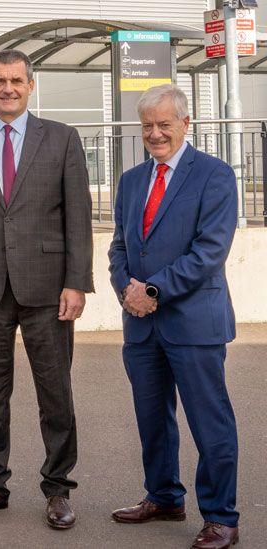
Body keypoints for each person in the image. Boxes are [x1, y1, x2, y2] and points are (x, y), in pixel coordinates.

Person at [0, 49, 93, 530]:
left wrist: (78, 283)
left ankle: (58, 489)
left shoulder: (61, 138)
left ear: (30, 85)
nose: (8, 88)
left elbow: (79, 217)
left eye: (16, 80)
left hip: (48, 288)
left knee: (55, 393)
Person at [108, 84, 240, 549]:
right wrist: (127, 288)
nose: (156, 134)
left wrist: (154, 290)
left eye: (165, 124)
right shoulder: (130, 181)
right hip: (141, 325)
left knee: (209, 422)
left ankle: (221, 517)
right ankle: (164, 497)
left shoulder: (215, 175)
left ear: (186, 124)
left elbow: (210, 250)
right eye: (148, 126)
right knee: (153, 419)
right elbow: (120, 246)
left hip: (194, 322)